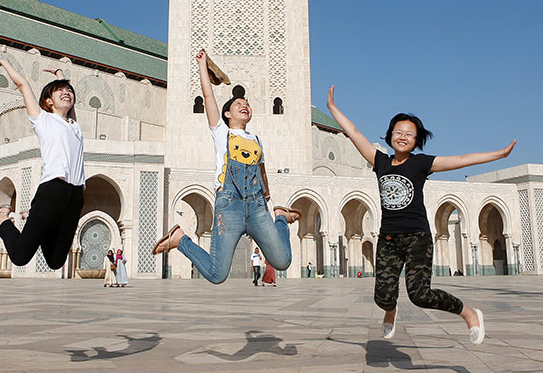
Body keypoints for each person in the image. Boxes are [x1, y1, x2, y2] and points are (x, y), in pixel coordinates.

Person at [326, 85, 516, 345]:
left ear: (417, 140)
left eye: (410, 134)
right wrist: (333, 109)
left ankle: (469, 313)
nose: (403, 137)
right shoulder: (379, 161)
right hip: (389, 239)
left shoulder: (422, 163)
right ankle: (390, 311)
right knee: (382, 296)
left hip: (417, 237)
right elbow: (354, 132)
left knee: (419, 295)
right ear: (390, 134)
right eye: (399, 132)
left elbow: (462, 158)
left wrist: (499, 154)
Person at [152, 49, 302, 284]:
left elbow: (261, 172)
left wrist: (268, 196)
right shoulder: (221, 133)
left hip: (257, 207)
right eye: (239, 104)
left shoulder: (256, 140)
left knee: (283, 261)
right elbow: (209, 96)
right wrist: (203, 65)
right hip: (229, 206)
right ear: (227, 113)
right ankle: (179, 239)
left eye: (247, 105)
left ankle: (280, 216)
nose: (245, 106)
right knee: (216, 274)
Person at [0, 60, 84, 270]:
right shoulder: (43, 120)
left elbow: (67, 102)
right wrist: (5, 62)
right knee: (20, 256)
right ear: (48, 101)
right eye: (60, 91)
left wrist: (59, 74)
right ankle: (2, 217)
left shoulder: (74, 126)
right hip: (53, 190)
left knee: (56, 262)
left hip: (76, 196)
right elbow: (23, 84)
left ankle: (33, 217)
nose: (67, 93)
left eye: (69, 91)